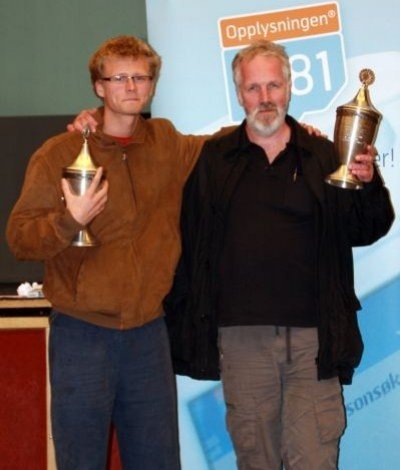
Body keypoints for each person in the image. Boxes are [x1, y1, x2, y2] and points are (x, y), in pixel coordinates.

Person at [163, 40, 395, 469]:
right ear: (239, 94)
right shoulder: (214, 159)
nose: (265, 98)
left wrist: (368, 184)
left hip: (314, 341)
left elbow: (366, 229)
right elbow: (191, 242)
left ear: (289, 87)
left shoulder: (324, 154)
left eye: (273, 85)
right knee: (257, 460)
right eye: (253, 88)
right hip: (242, 341)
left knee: (315, 459)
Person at [6, 35, 209, 470]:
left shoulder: (166, 142)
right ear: (99, 87)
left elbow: (226, 146)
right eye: (119, 78)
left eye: (141, 77)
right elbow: (19, 237)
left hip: (148, 335)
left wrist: (284, 130)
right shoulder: (58, 153)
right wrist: (69, 220)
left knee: (158, 463)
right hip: (81, 335)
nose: (131, 86)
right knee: (80, 461)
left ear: (152, 84)